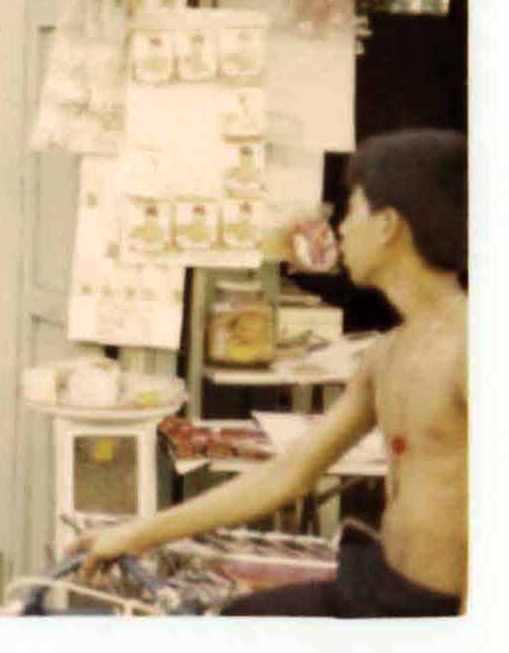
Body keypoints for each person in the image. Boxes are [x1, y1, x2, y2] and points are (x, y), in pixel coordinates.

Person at [74, 128, 467, 618]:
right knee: (233, 620)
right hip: (376, 582)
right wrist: (136, 533)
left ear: (387, 224)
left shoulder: (474, 347)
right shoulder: (386, 355)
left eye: (351, 210)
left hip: (438, 612)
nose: (340, 228)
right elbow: (287, 476)